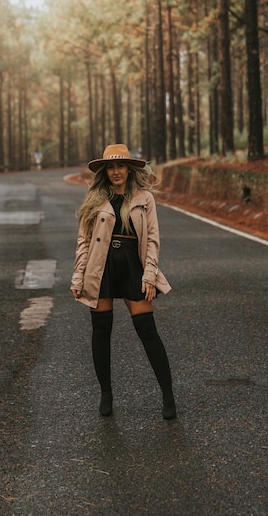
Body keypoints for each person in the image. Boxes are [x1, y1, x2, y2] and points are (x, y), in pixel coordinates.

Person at [71, 144, 176, 420]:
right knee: (101, 332)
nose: (116, 171)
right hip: (100, 266)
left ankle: (168, 395)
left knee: (147, 330)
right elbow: (83, 242)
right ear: (105, 171)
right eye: (111, 167)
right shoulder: (95, 198)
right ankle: (106, 393)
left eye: (120, 166)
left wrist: (150, 275)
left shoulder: (145, 198)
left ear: (129, 169)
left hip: (133, 266)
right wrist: (78, 275)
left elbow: (152, 239)